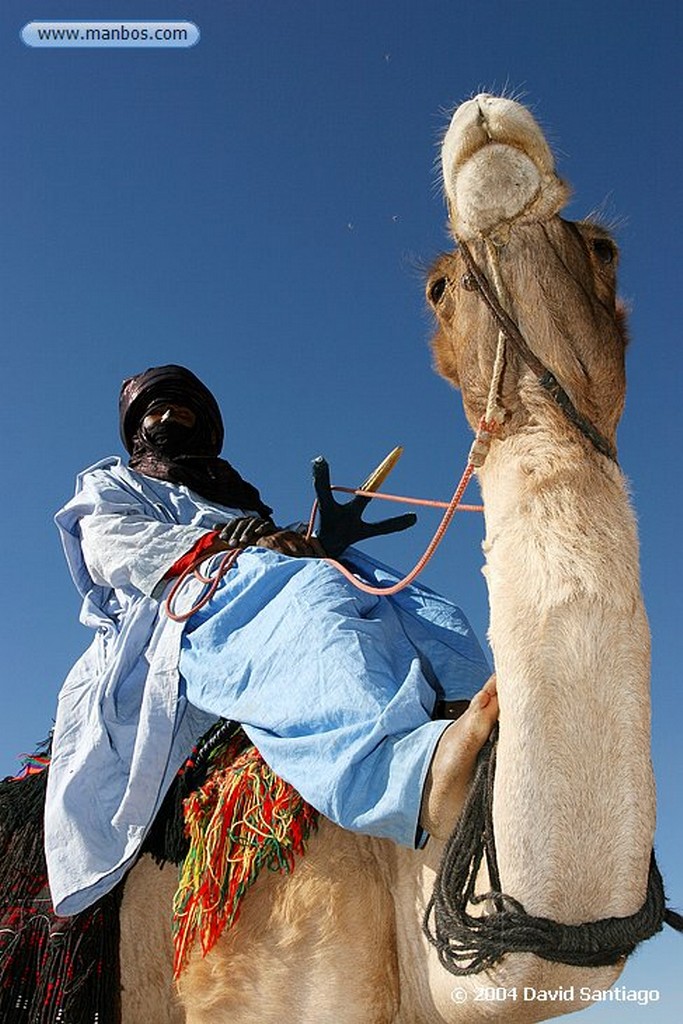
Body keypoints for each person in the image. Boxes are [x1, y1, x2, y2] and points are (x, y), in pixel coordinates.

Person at [45, 365, 498, 917]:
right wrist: (222, 541)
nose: (167, 418)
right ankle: (397, 774)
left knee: (418, 604)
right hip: (175, 605)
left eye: (180, 410)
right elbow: (114, 547)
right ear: (137, 429)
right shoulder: (114, 483)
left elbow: (272, 547)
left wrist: (312, 541)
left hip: (254, 572)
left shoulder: (237, 496)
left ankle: (477, 720)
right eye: (155, 412)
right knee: (315, 600)